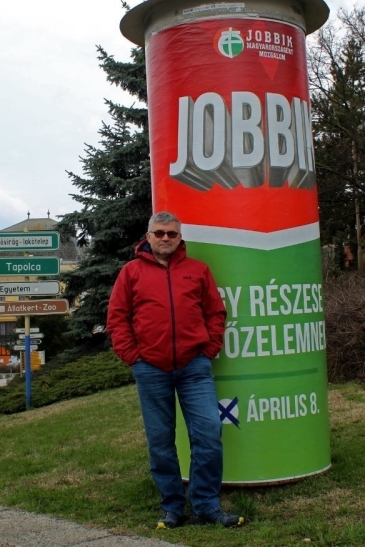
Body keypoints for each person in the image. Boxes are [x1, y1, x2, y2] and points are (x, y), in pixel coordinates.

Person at [106, 211, 243, 529]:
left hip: (194, 367)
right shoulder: (131, 272)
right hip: (151, 369)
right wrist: (133, 357)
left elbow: (215, 312)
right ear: (148, 236)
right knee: (160, 441)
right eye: (160, 233)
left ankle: (207, 505)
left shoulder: (197, 270)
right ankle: (172, 507)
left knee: (209, 433)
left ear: (180, 238)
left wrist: (208, 349)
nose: (165, 238)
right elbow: (117, 317)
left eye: (172, 233)